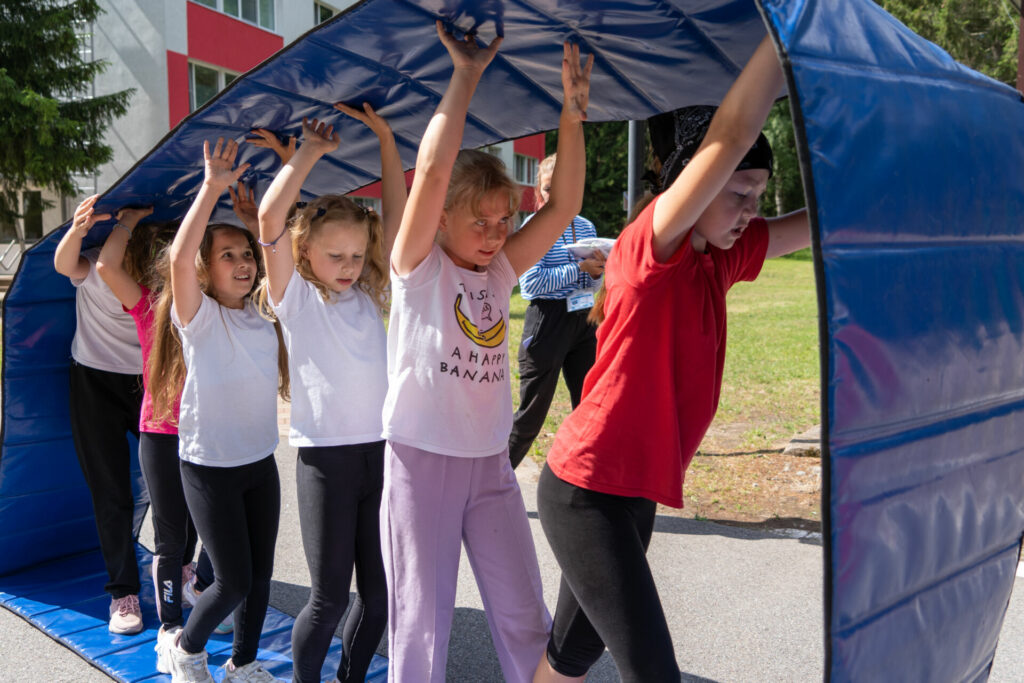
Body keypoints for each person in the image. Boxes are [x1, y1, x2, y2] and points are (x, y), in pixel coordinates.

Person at [533, 35, 811, 683]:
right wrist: (783, 30)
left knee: (570, 654)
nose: (752, 210)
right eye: (738, 191)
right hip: (586, 492)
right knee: (653, 672)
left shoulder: (721, 258)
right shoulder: (648, 250)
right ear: (691, 184)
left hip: (632, 493)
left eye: (760, 193)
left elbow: (820, 225)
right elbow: (735, 128)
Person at [380, 22, 592, 682]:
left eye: (504, 221)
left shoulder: (499, 270)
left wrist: (573, 112)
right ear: (439, 215)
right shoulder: (416, 266)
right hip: (421, 463)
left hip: (489, 466)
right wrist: (464, 76)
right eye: (481, 221)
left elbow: (562, 208)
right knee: (421, 620)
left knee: (525, 613)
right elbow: (438, 169)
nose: (497, 234)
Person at [256, 104, 405, 683]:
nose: (348, 266)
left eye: (356, 256)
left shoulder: (369, 295)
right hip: (326, 461)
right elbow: (271, 220)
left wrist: (388, 142)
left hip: (382, 454)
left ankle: (348, 679)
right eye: (334, 256)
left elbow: (396, 218)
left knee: (380, 596)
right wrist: (308, 155)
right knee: (327, 600)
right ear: (304, 254)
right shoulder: (296, 299)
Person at [158, 137, 289, 683]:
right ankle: (185, 648)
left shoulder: (264, 316)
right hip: (209, 467)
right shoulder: (200, 319)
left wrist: (259, 224)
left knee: (259, 578)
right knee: (231, 580)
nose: (240, 264)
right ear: (206, 270)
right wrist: (211, 188)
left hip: (259, 462)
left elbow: (281, 256)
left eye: (246, 255)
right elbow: (178, 259)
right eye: (226, 257)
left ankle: (243, 663)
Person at [53, 196, 146, 635]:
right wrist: (78, 228)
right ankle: (123, 592)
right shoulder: (93, 265)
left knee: (181, 483)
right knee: (111, 492)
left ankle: (184, 569)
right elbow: (63, 264)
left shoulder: (160, 276)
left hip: (148, 382)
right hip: (94, 381)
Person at [507, 153, 604, 468]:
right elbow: (532, 284)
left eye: (563, 188)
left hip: (584, 320)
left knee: (590, 406)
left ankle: (583, 478)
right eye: (549, 189)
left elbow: (591, 284)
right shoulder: (534, 226)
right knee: (531, 415)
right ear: (539, 193)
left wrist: (596, 274)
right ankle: (493, 481)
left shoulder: (585, 226)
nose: (555, 196)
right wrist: (580, 270)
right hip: (547, 322)